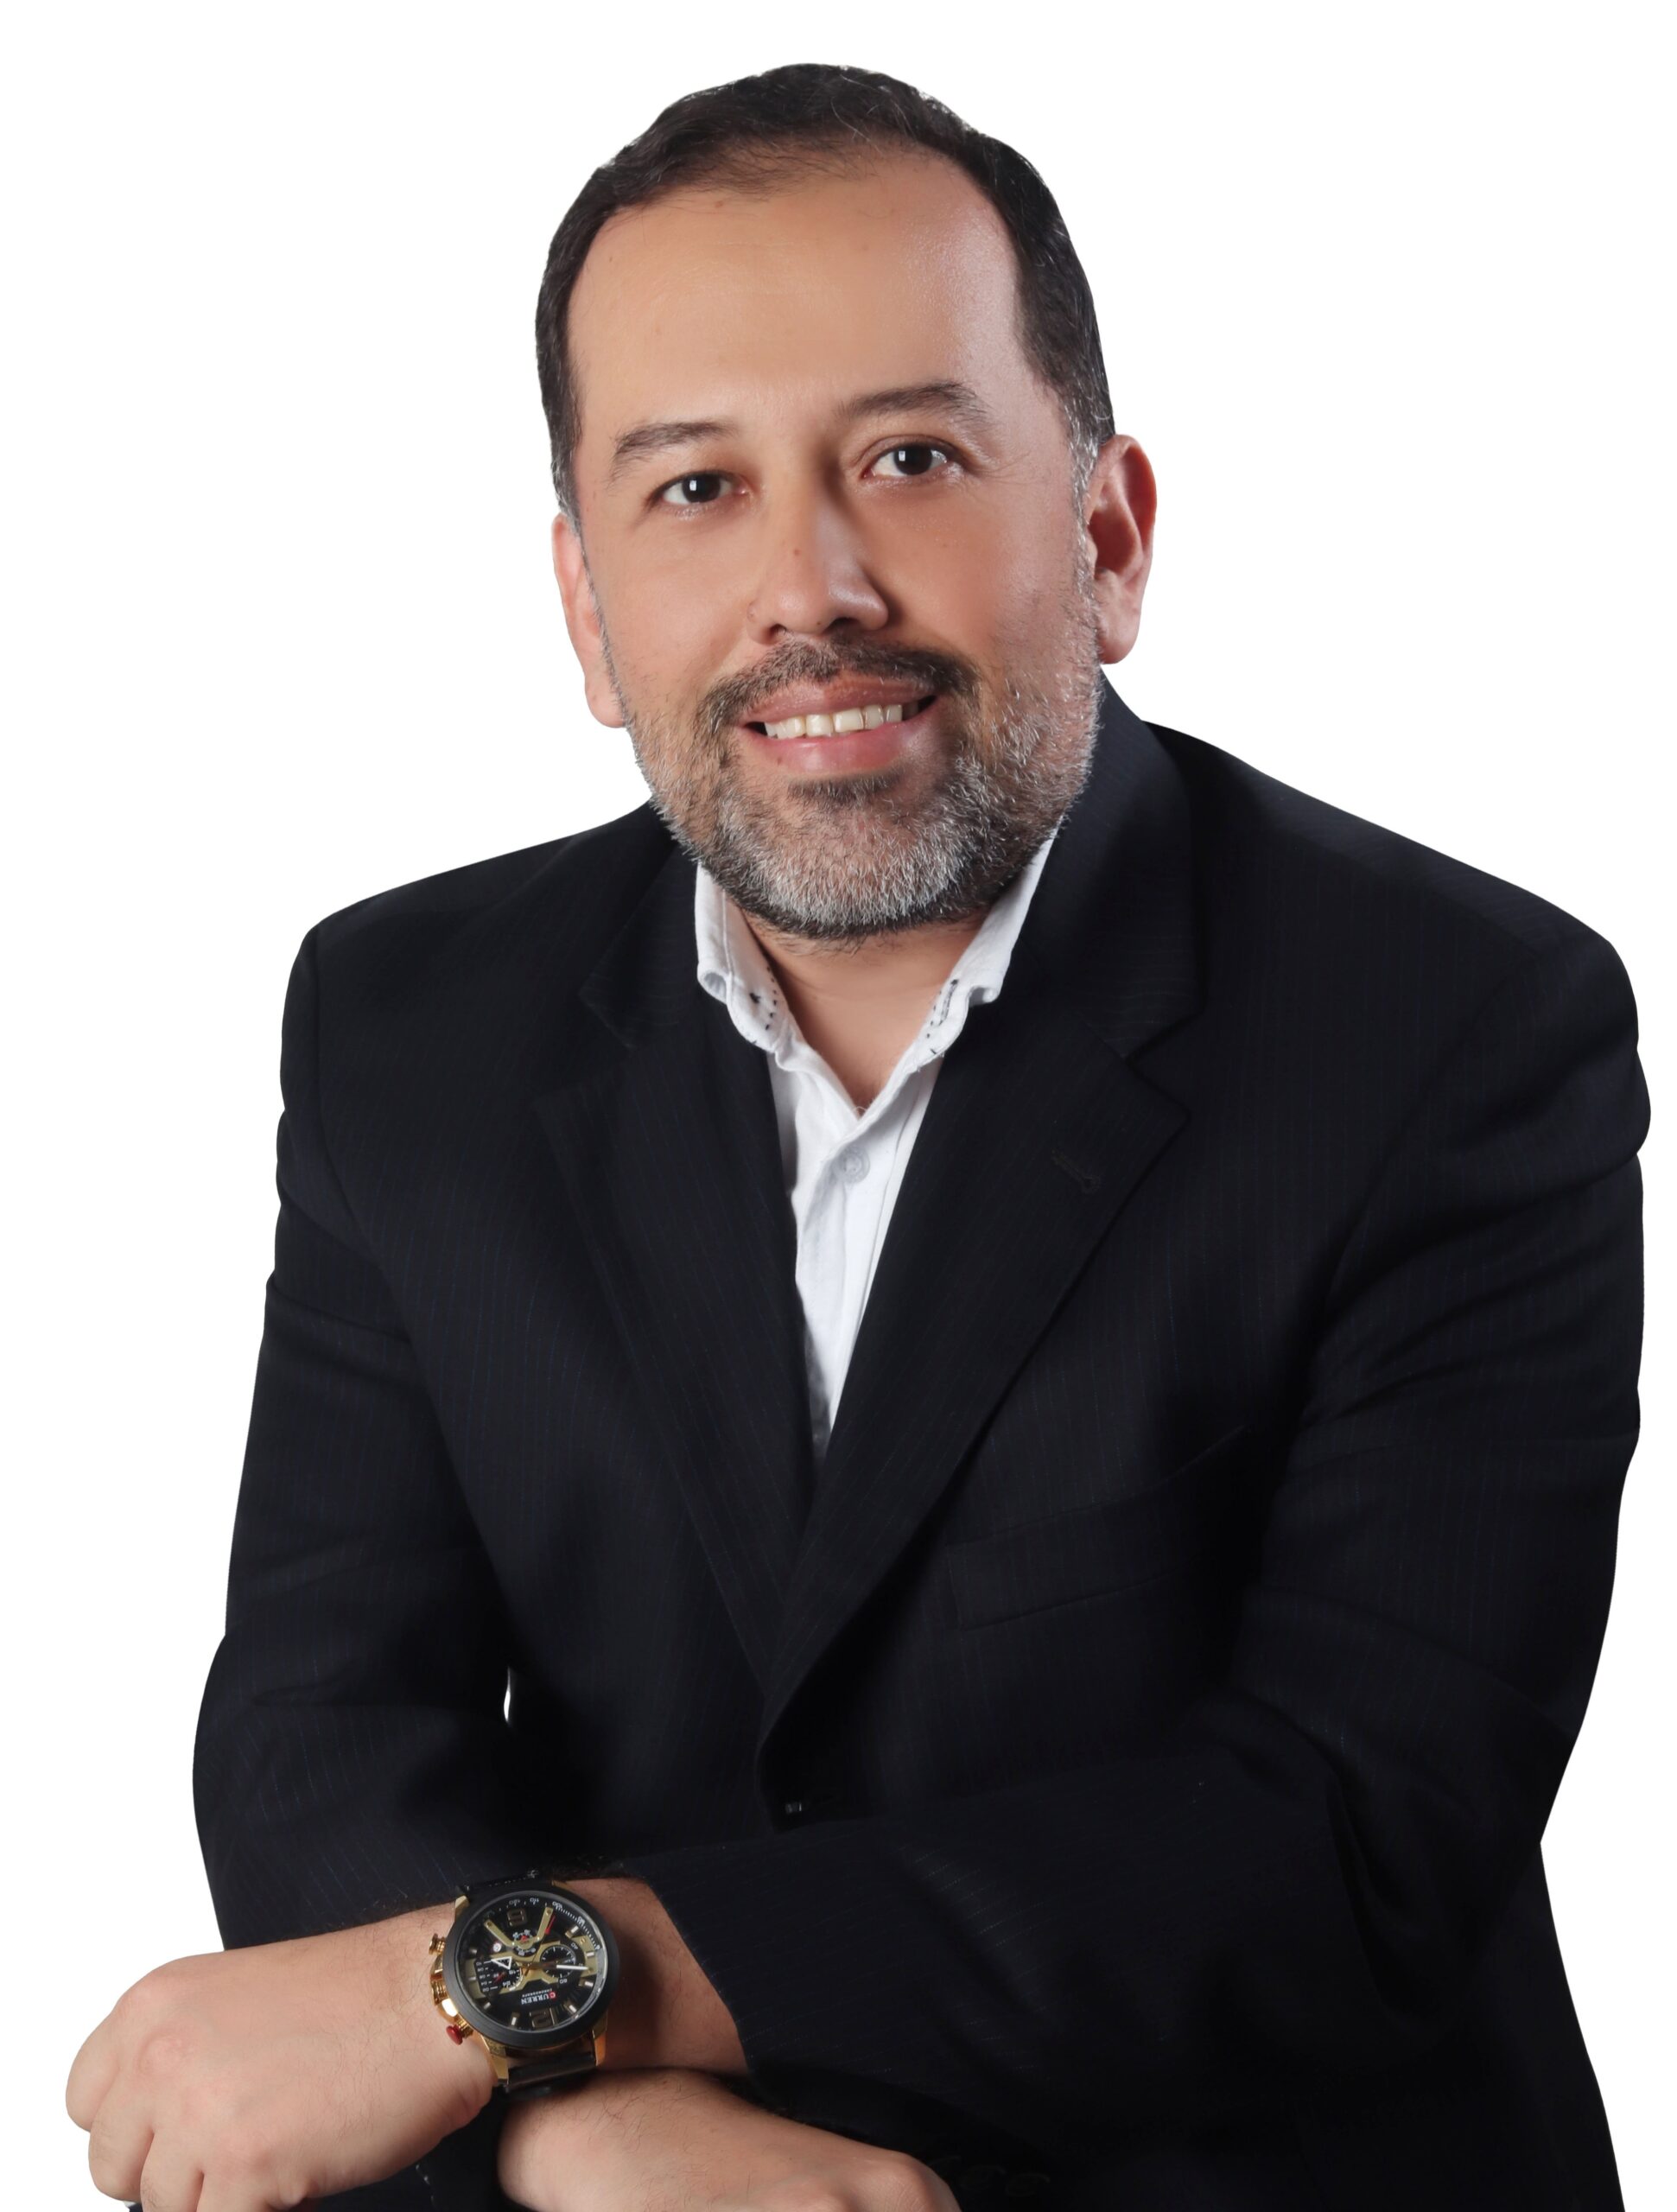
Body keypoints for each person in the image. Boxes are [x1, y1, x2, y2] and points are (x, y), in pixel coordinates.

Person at [66, 60, 1648, 2212]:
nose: (804, 588)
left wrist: (526, 1994)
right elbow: (319, 1722)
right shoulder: (402, 1025)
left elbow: (1345, 1835)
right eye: (693, 488)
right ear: (585, 611)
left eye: (908, 457)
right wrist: (584, 2127)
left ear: (1105, 535)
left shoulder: (1456, 1029)